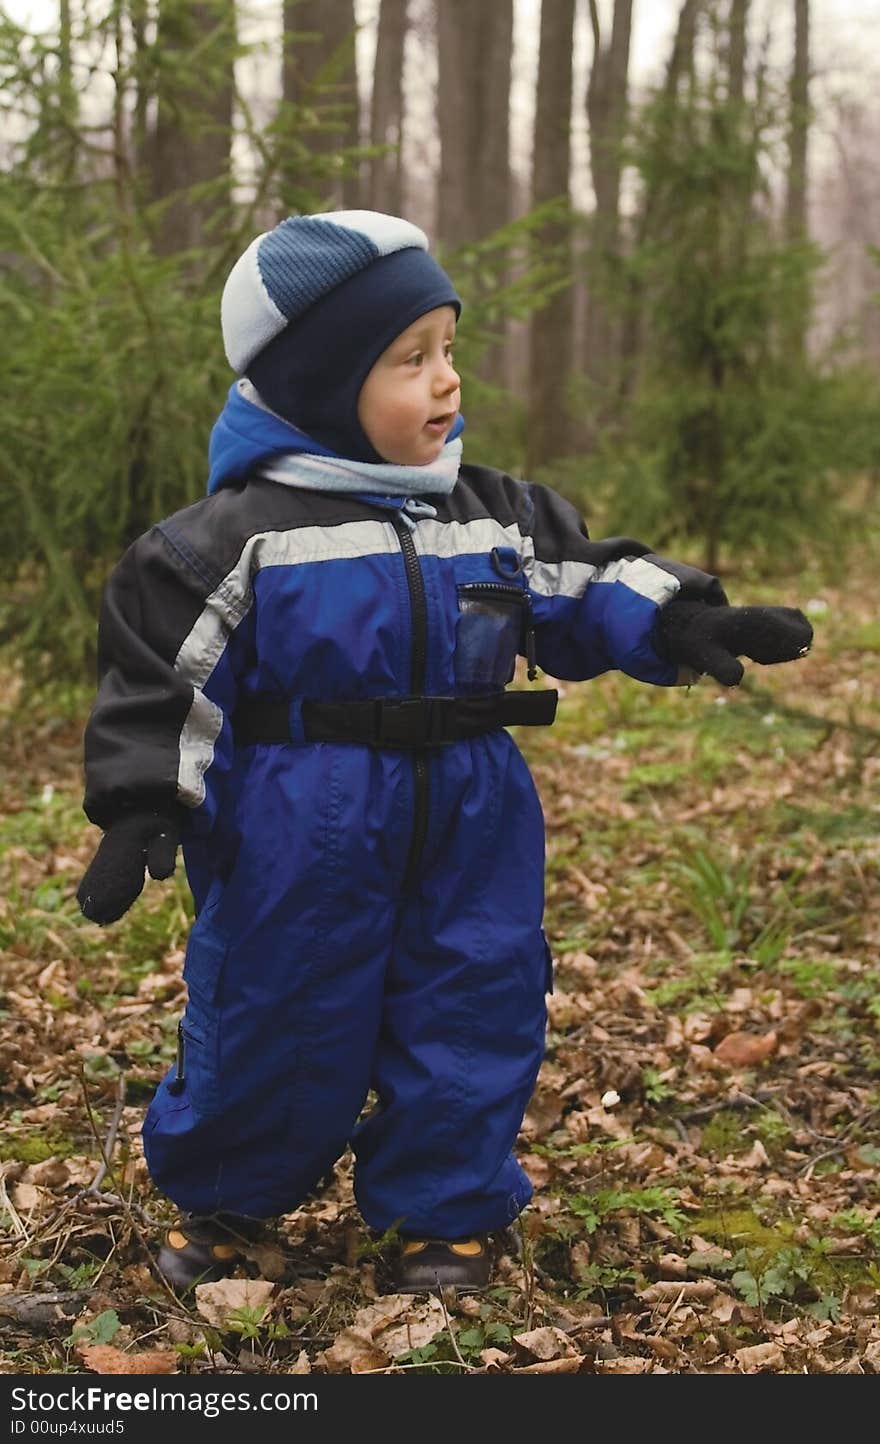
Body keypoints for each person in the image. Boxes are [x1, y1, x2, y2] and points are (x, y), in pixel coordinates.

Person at [76, 210, 812, 1295]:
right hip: (297, 819)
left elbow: (584, 581)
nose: (447, 381)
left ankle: (446, 1208)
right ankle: (231, 1197)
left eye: (449, 349)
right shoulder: (237, 536)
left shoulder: (490, 513)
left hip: (474, 814)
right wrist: (143, 798)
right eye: (409, 359)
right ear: (324, 384)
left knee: (473, 997)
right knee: (275, 1003)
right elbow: (161, 674)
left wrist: (678, 617)